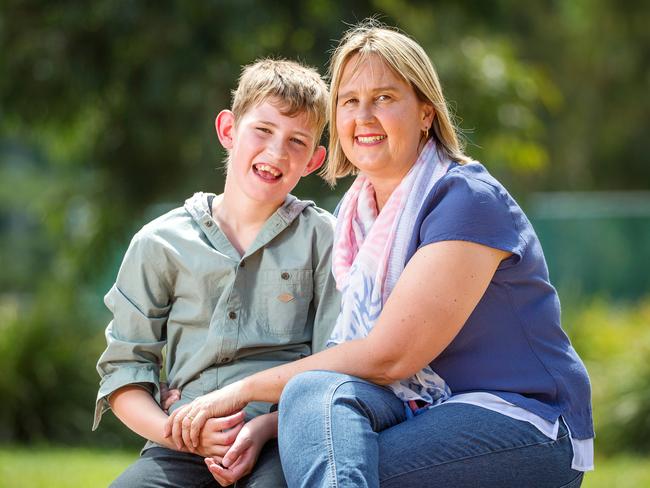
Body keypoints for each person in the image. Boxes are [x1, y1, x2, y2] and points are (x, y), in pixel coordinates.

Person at [165, 21, 593, 488]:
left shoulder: (467, 199)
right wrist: (267, 424)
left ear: (426, 113)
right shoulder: (356, 217)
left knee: (322, 467)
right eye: (349, 101)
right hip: (417, 409)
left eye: (384, 98)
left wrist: (240, 391)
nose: (363, 116)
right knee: (310, 407)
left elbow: (389, 358)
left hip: (524, 422)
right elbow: (339, 367)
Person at [93, 58, 340, 487]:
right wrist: (181, 434)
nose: (277, 152)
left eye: (297, 141)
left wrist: (263, 428)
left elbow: (332, 367)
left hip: (284, 437)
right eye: (262, 130)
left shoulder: (326, 239)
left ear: (314, 161)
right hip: (182, 440)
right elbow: (125, 373)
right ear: (228, 130)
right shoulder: (159, 243)